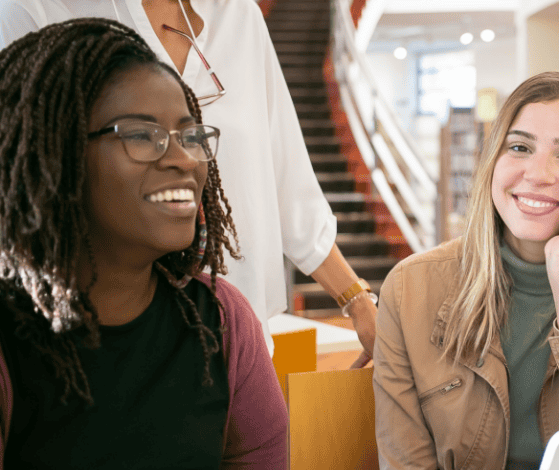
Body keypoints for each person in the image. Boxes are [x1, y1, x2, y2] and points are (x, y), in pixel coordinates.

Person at [0, 0, 379, 364]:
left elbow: (289, 185)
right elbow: (25, 191)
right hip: (99, 344)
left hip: (238, 347)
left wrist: (358, 302)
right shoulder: (38, 11)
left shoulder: (240, 17)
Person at [0, 18, 286, 467]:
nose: (184, 159)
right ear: (56, 156)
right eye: (140, 135)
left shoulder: (224, 323)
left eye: (192, 136)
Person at [373, 71, 559, 469]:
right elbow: (406, 461)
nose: (537, 174)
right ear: (493, 163)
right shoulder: (410, 288)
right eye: (519, 147)